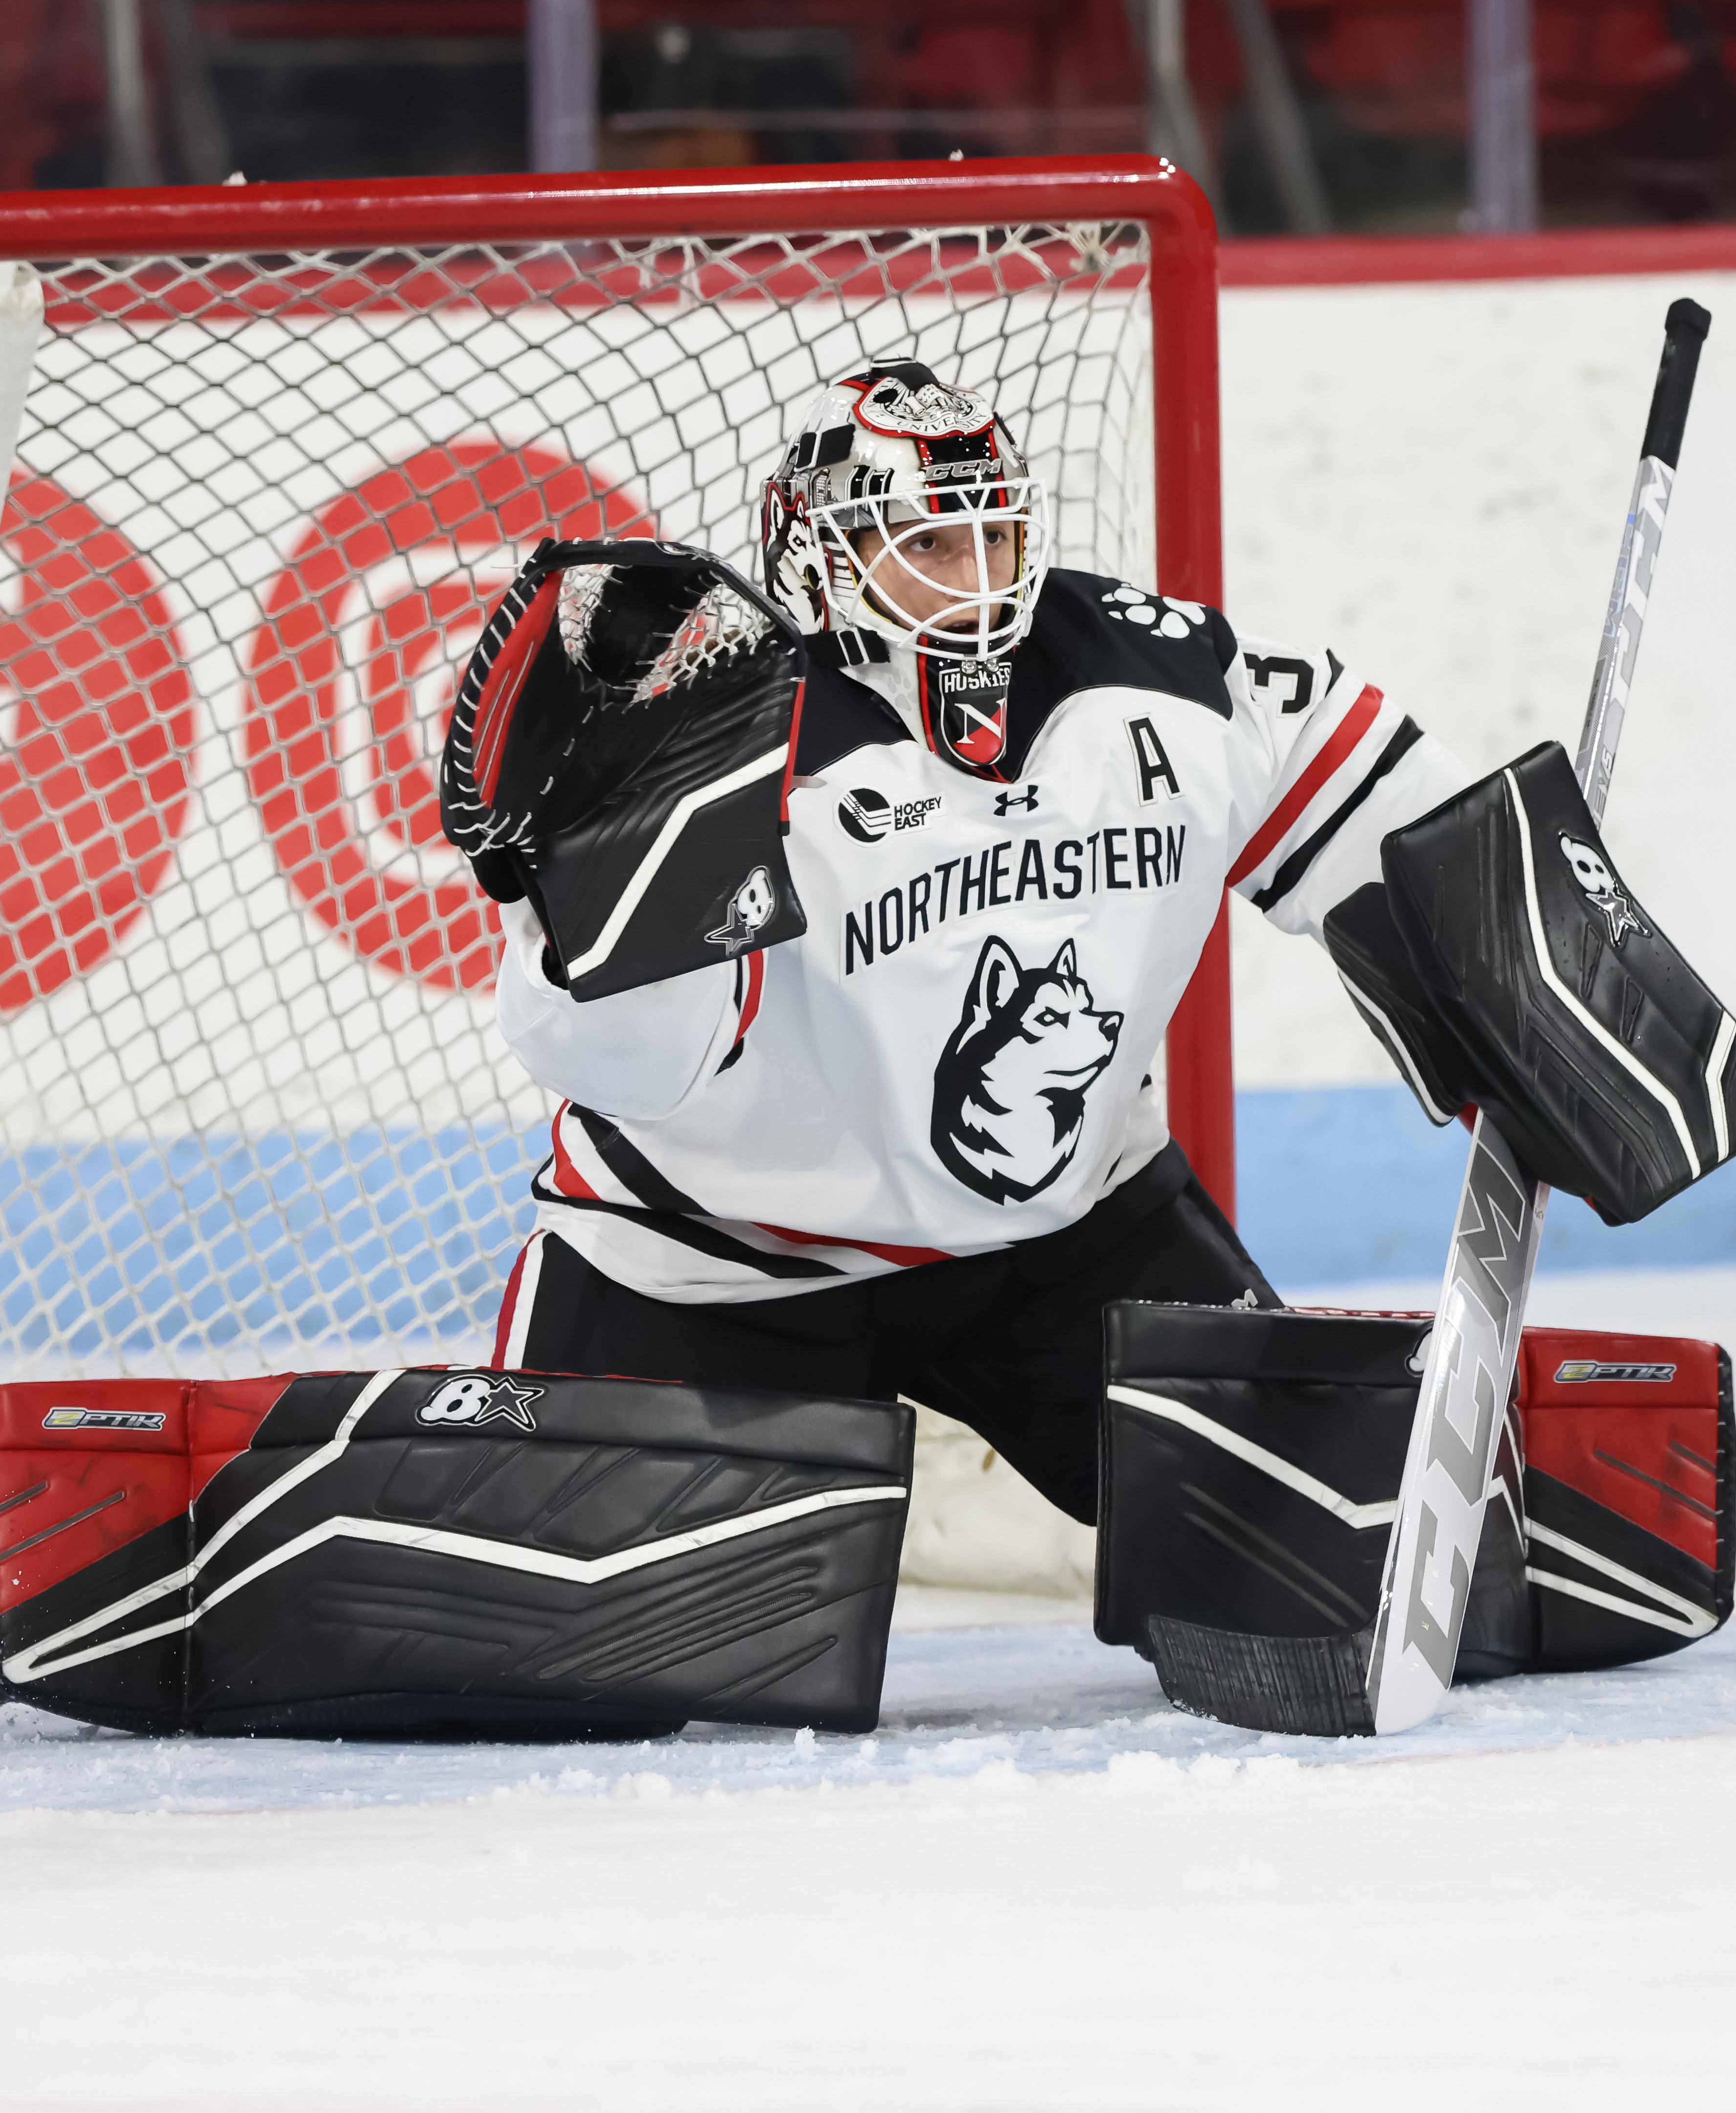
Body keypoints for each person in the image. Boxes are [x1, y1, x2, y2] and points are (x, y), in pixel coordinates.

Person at [474, 359, 1477, 1526]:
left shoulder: (1147, 673)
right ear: (821, 559)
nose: (980, 580)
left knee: (1328, 1546)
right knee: (585, 1646)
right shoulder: (718, 741)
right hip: (714, 1267)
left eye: (995, 538)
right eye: (933, 547)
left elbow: (1391, 817)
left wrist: (1527, 973)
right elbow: (633, 1069)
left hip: (1066, 1243)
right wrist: (570, 904)